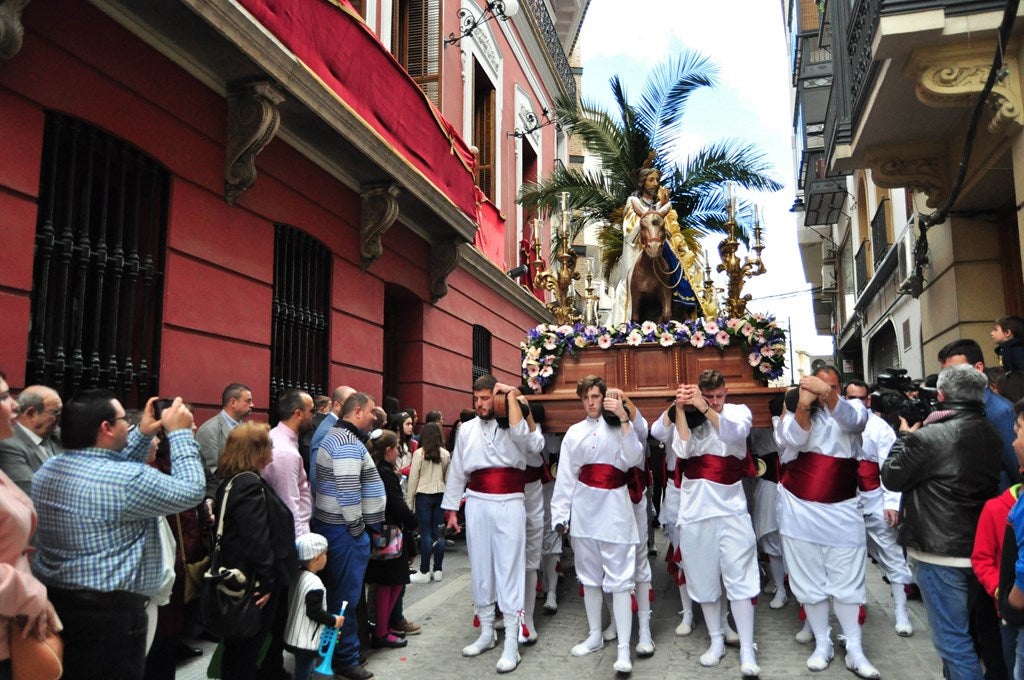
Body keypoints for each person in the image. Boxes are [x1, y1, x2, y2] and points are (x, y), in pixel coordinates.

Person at [31, 390, 203, 679]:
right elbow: (192, 490)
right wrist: (181, 435)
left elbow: (110, 467)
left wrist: (143, 434)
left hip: (61, 602)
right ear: (106, 428)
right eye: (125, 420)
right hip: (112, 618)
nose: (130, 425)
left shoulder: (49, 468)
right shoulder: (129, 481)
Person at [883, 364, 1002, 680]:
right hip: (980, 549)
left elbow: (892, 477)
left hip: (939, 550)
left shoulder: (928, 437)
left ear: (941, 395)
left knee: (953, 642)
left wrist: (904, 439)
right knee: (969, 638)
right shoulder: (990, 431)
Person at [776, 367, 880, 678]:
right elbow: (794, 440)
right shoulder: (792, 413)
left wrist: (827, 393)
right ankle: (822, 643)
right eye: (819, 384)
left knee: (847, 582)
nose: (824, 390)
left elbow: (854, 420)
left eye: (832, 385)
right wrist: (804, 403)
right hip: (800, 510)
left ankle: (854, 648)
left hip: (842, 509)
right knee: (809, 581)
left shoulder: (853, 409)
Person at [551, 375, 644, 674]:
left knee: (620, 581)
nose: (591, 403)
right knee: (589, 578)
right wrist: (560, 515)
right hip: (584, 512)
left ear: (604, 397)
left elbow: (634, 458)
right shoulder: (574, 432)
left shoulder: (618, 426)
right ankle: (594, 634)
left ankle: (624, 649)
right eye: (586, 398)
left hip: (615, 510)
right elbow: (566, 475)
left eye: (595, 396)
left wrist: (624, 419)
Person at [442, 374, 533, 674]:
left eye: (485, 398)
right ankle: (486, 632)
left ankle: (511, 643)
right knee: (481, 566)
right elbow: (457, 469)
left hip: (509, 503)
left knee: (508, 567)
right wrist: (452, 508)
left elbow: (533, 445)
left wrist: (514, 398)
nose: (480, 404)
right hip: (478, 502)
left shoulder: (514, 424)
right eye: (476, 399)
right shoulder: (466, 429)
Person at [671, 370, 759, 676]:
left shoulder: (738, 412)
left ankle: (747, 649)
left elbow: (734, 436)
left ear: (726, 391)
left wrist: (707, 408)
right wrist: (682, 409)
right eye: (709, 397)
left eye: (720, 395)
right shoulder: (692, 414)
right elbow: (682, 450)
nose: (715, 402)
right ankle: (716, 640)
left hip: (732, 511)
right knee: (704, 579)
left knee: (741, 578)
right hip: (695, 511)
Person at [213, 422, 298, 680]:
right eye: (268, 445)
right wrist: (268, 582)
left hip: (242, 578)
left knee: (241, 649)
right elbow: (256, 539)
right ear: (256, 450)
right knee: (245, 651)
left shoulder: (233, 482)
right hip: (252, 583)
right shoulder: (249, 485)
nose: (273, 448)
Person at [310, 392, 384, 680]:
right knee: (344, 599)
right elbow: (348, 491)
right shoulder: (344, 443)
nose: (373, 417)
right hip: (344, 531)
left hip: (339, 529)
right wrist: (358, 530)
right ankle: (343, 659)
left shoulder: (342, 438)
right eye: (369, 412)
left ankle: (340, 655)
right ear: (356, 413)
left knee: (343, 597)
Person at [0, 371, 62, 679]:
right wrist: (32, 592)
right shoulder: (12, 451)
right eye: (2, 397)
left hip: (11, 626)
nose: (13, 405)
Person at [843, 379, 914, 637]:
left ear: (868, 400)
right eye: (850, 398)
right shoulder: (836, 423)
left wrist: (892, 504)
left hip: (874, 500)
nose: (856, 403)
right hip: (845, 503)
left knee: (893, 557)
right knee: (850, 561)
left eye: (860, 399)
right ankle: (855, 610)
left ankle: (902, 611)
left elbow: (890, 468)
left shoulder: (879, 427)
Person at [972, 397, 1024, 680]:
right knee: (1006, 661)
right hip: (1005, 610)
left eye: (1018, 431)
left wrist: (1012, 599)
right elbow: (981, 557)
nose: (1013, 441)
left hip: (1014, 608)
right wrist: (998, 591)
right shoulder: (997, 507)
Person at [364, 429, 417, 648]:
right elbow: (396, 503)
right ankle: (382, 631)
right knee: (390, 583)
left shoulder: (378, 468)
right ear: (388, 450)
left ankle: (384, 627)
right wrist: (414, 522)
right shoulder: (385, 473)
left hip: (386, 531)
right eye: (396, 448)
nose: (398, 451)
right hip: (390, 533)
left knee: (393, 583)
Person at [609, 167, 673, 325]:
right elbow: (630, 231)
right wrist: (651, 217)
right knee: (631, 281)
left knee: (676, 267)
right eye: (651, 180)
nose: (655, 184)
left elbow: (667, 228)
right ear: (642, 182)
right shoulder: (633, 202)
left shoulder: (660, 205)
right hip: (638, 249)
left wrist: (662, 208)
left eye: (657, 180)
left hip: (659, 246)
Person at [285, 533, 345, 680]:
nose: (327, 557)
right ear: (317, 558)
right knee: (305, 671)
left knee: (302, 668)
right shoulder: (315, 584)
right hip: (306, 639)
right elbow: (314, 612)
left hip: (294, 635)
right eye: (325, 554)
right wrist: (333, 620)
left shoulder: (298, 575)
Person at [263, 388, 315, 537]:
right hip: (293, 534)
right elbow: (289, 502)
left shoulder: (280, 438)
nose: (314, 416)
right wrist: (300, 545)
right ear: (298, 414)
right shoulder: (285, 452)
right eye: (312, 411)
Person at [407, 422, 451, 583]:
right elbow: (448, 479)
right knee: (438, 533)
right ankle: (438, 570)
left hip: (423, 495)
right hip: (440, 495)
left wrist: (409, 502)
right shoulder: (445, 454)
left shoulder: (419, 453)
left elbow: (413, 479)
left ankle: (424, 571)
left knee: (425, 533)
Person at [0, 385, 63, 496]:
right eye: (55, 412)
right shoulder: (8, 445)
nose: (59, 418)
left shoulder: (55, 434)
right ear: (31, 414)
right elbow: (30, 490)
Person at [195, 383, 254, 498]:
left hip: (244, 494)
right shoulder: (209, 430)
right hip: (222, 498)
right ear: (233, 402)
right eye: (248, 401)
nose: (252, 405)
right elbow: (212, 473)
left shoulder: (246, 428)